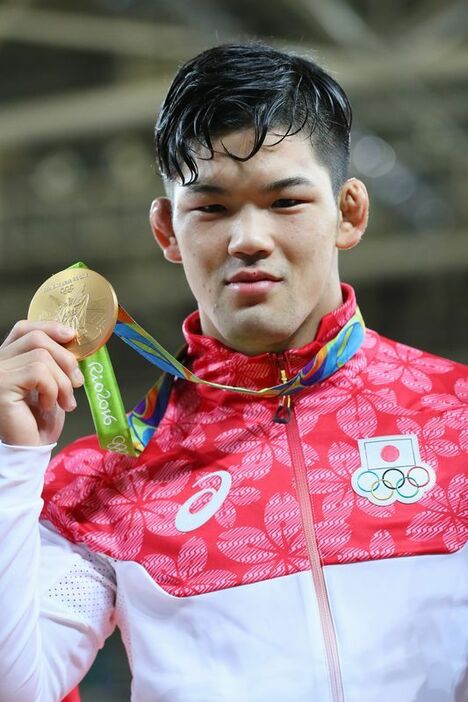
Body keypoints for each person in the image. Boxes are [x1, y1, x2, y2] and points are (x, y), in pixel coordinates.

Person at [0, 42, 466, 702]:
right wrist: (8, 461)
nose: (248, 237)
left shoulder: (458, 419)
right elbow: (18, 686)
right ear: (167, 230)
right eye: (212, 208)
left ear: (350, 213)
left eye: (285, 202)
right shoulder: (107, 479)